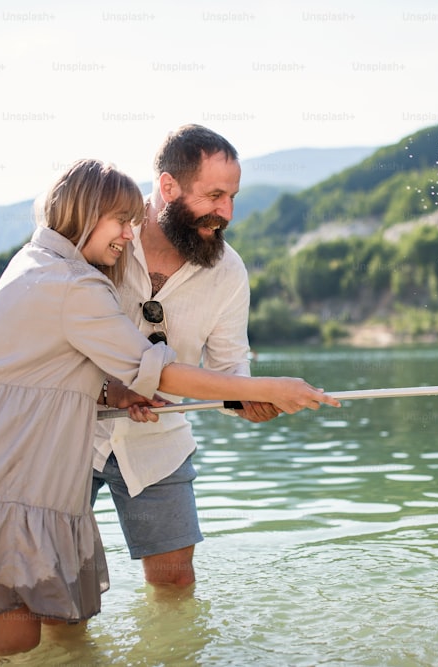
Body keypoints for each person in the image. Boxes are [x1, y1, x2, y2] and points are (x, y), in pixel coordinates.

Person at [0, 158, 339, 657]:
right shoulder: (76, 284)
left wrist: (118, 393)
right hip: (7, 468)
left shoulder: (38, 260)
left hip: (6, 460)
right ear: (86, 213)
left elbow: (45, 364)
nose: (129, 234)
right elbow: (157, 371)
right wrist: (269, 388)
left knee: (53, 627)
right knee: (15, 641)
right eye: (121, 222)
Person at [90, 125, 272, 590]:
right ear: (167, 187)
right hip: (68, 434)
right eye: (214, 195)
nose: (226, 213)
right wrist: (106, 388)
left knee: (175, 587)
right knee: (53, 589)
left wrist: (247, 399)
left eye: (232, 197)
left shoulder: (229, 270)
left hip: (161, 440)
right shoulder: (102, 240)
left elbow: (231, 365)